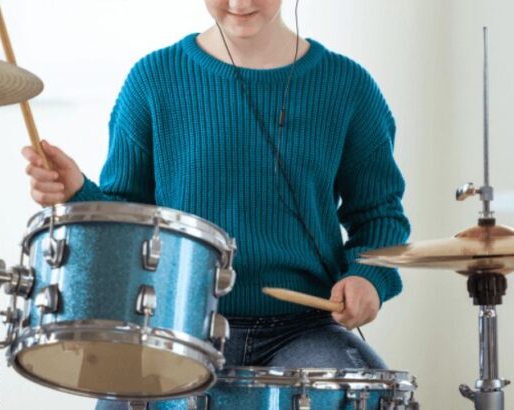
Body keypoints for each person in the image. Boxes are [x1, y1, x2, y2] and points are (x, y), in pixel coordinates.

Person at [22, 0, 410, 407]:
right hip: (175, 331)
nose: (239, 3)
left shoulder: (348, 86)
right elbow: (128, 218)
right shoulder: (153, 79)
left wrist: (369, 277)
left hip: (302, 330)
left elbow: (380, 216)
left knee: (358, 394)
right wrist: (77, 192)